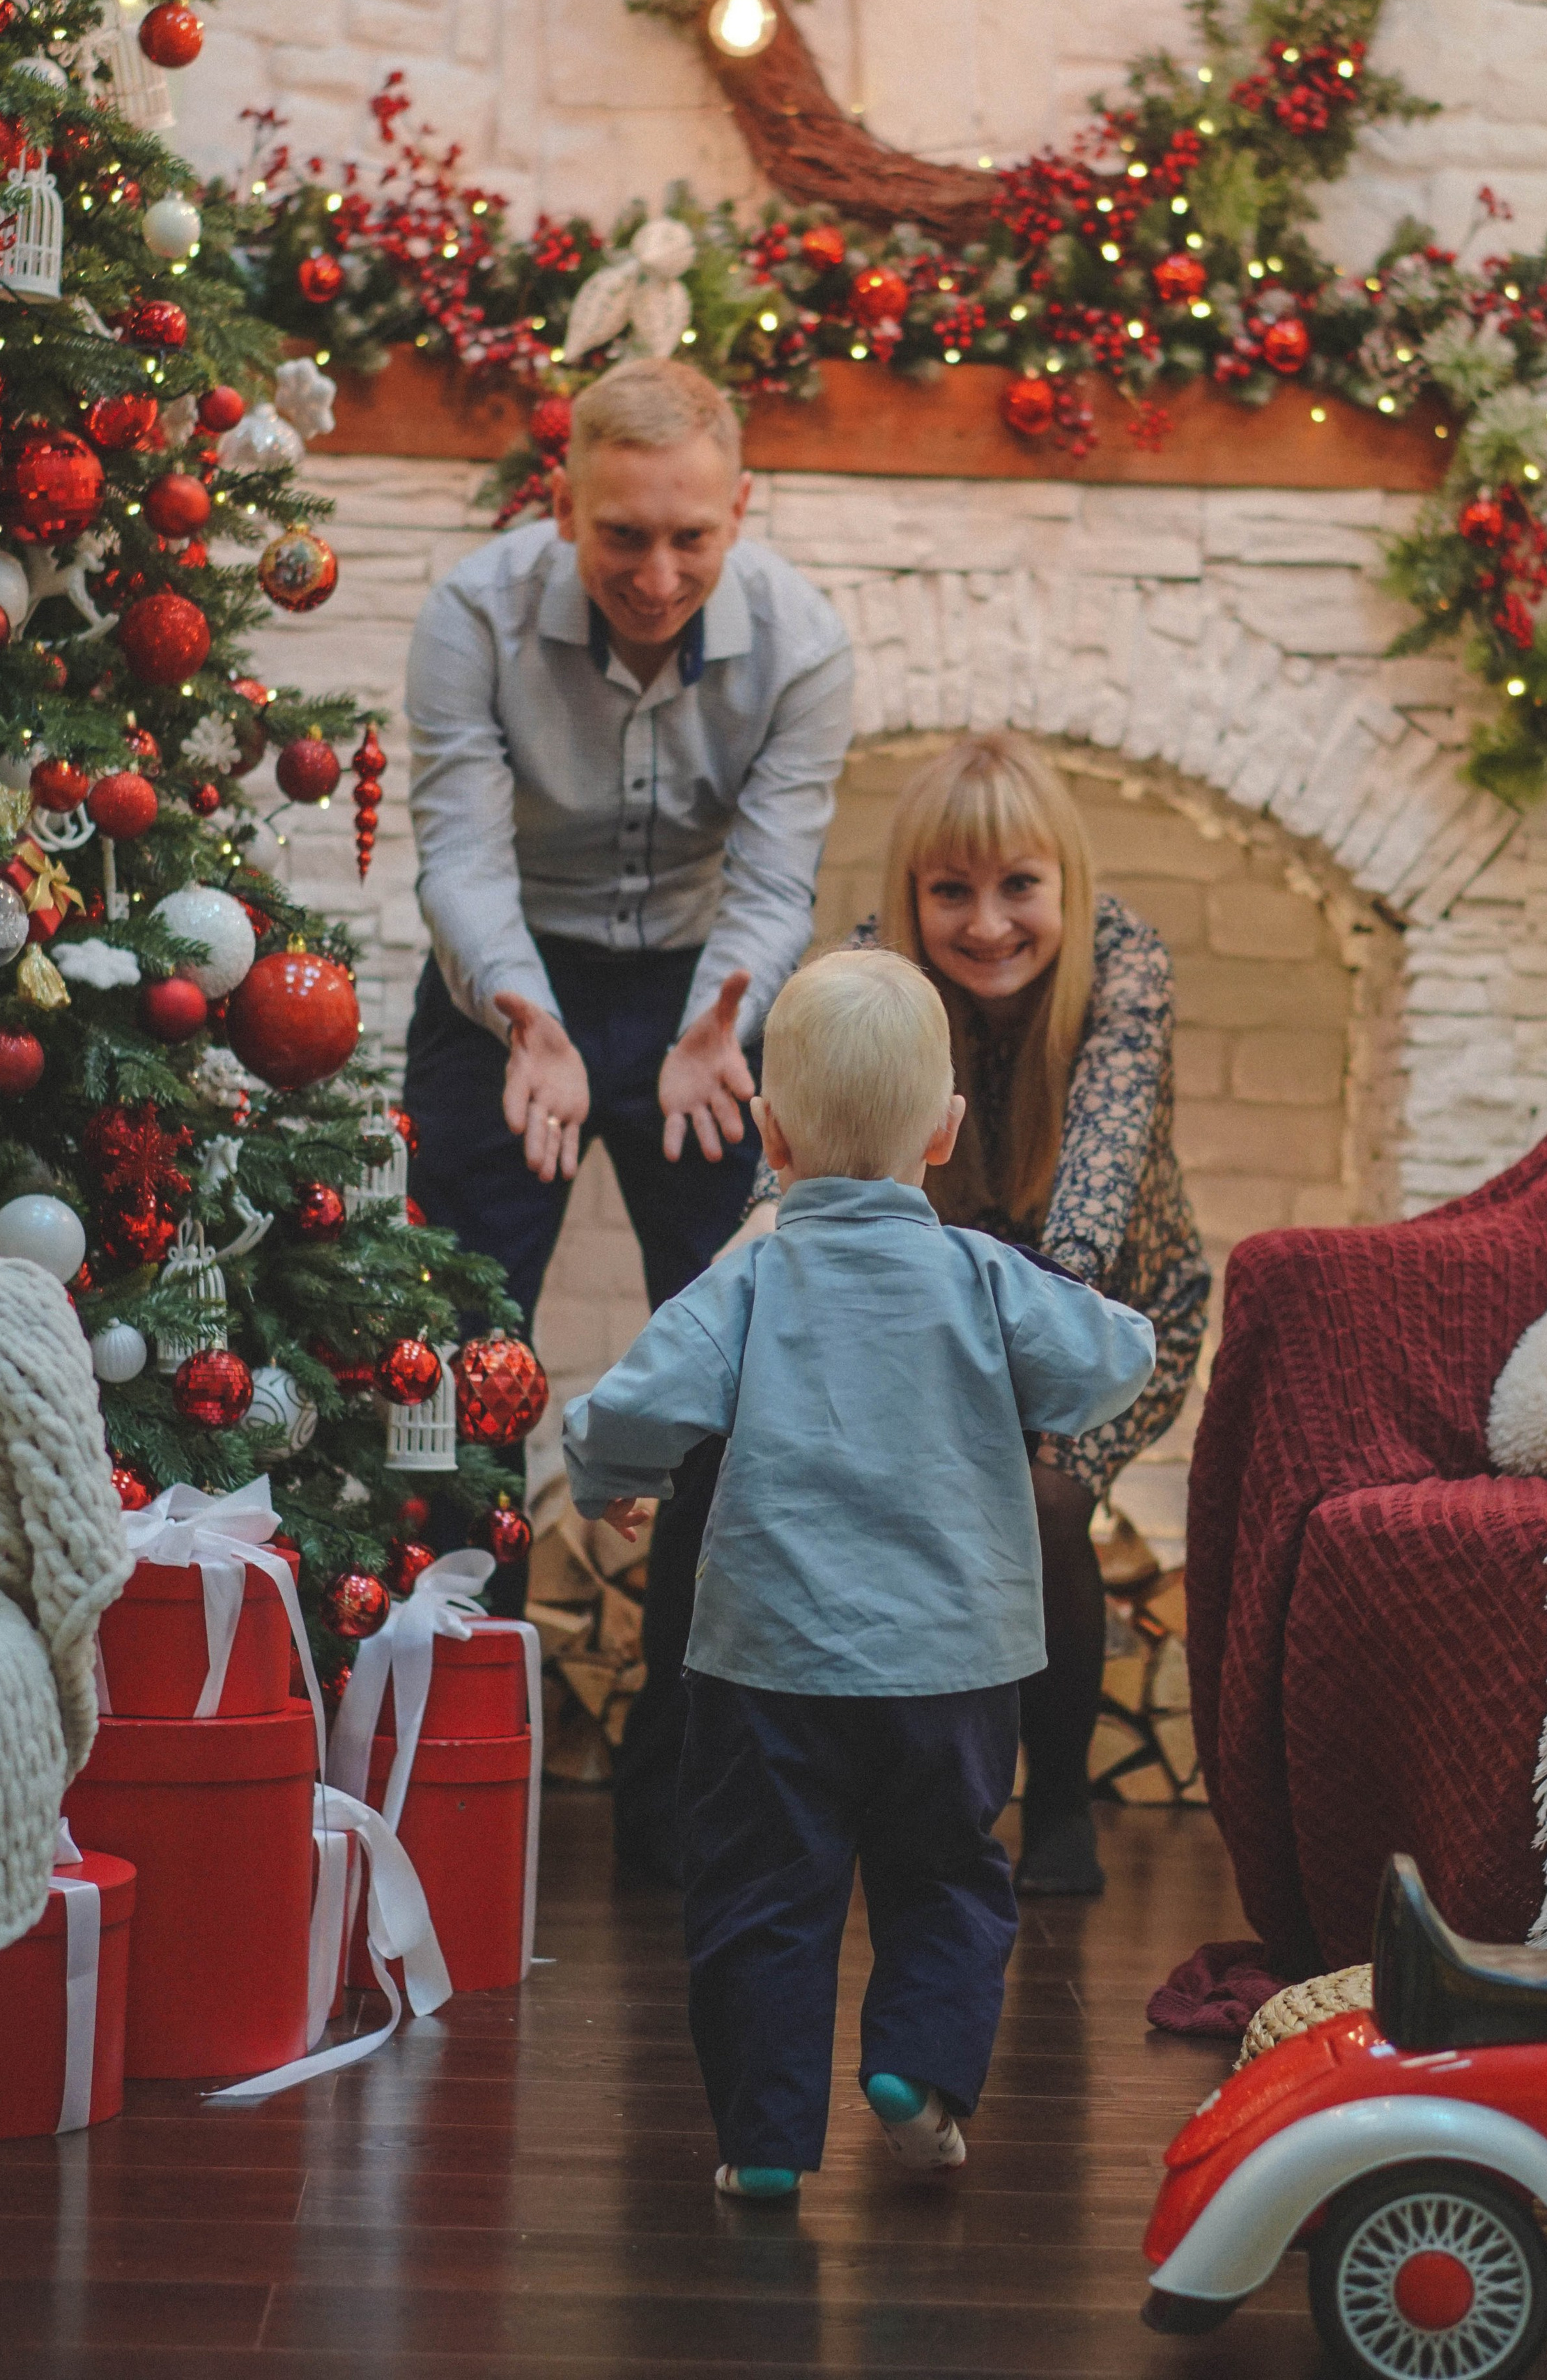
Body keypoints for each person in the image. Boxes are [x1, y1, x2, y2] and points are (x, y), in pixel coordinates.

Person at [563, 949, 1155, 2200]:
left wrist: (609, 1473)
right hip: (957, 1664)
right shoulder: (984, 1277)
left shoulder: (750, 1276)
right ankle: (920, 2073)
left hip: (772, 1664)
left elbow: (633, 1403)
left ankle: (767, 2141)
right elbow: (1114, 1360)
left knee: (762, 1899)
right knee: (948, 1875)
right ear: (944, 1132)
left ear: (770, 1136)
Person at [401, 357, 854, 1876]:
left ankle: (683, 1770)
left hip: (701, 998)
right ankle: (450, 1739)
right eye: (622, 536)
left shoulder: (804, 641)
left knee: (729, 1364)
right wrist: (524, 1018)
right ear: (563, 506)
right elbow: (460, 852)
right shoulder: (471, 615)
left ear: (740, 510)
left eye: (689, 537)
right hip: (504, 984)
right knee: (455, 1356)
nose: (656, 575)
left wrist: (724, 1014)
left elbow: (778, 880)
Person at [739, 733, 1210, 1896]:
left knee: (1042, 1500)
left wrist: (1042, 1331)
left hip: (1107, 1303)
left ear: (1066, 882)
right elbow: (794, 1150)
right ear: (911, 892)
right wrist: (753, 1254)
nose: (989, 923)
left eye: (1019, 886)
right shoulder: (868, 974)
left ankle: (1058, 1802)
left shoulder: (1126, 967)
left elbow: (1100, 1168)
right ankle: (878, 1794)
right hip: (925, 1311)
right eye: (952, 890)